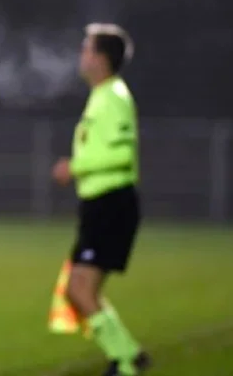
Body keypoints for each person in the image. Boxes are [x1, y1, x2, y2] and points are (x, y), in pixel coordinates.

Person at [51, 23, 150, 376]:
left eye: (86, 48)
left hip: (112, 204)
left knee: (80, 288)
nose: (82, 55)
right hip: (99, 206)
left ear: (101, 58)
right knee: (78, 289)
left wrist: (74, 166)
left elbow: (122, 156)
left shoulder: (114, 97)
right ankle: (127, 356)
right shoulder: (101, 96)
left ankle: (126, 360)